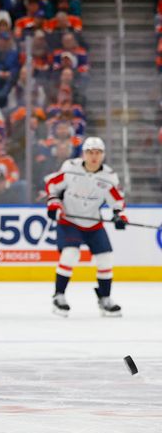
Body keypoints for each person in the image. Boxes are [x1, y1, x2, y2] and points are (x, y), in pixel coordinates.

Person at [44, 136, 126, 317]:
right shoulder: (70, 168)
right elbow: (52, 186)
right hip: (69, 221)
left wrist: (118, 215)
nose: (94, 156)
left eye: (97, 153)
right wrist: (53, 205)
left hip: (93, 223)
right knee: (70, 255)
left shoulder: (109, 176)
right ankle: (59, 296)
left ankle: (104, 298)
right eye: (90, 152)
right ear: (84, 154)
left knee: (105, 259)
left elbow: (117, 200)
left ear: (103, 154)